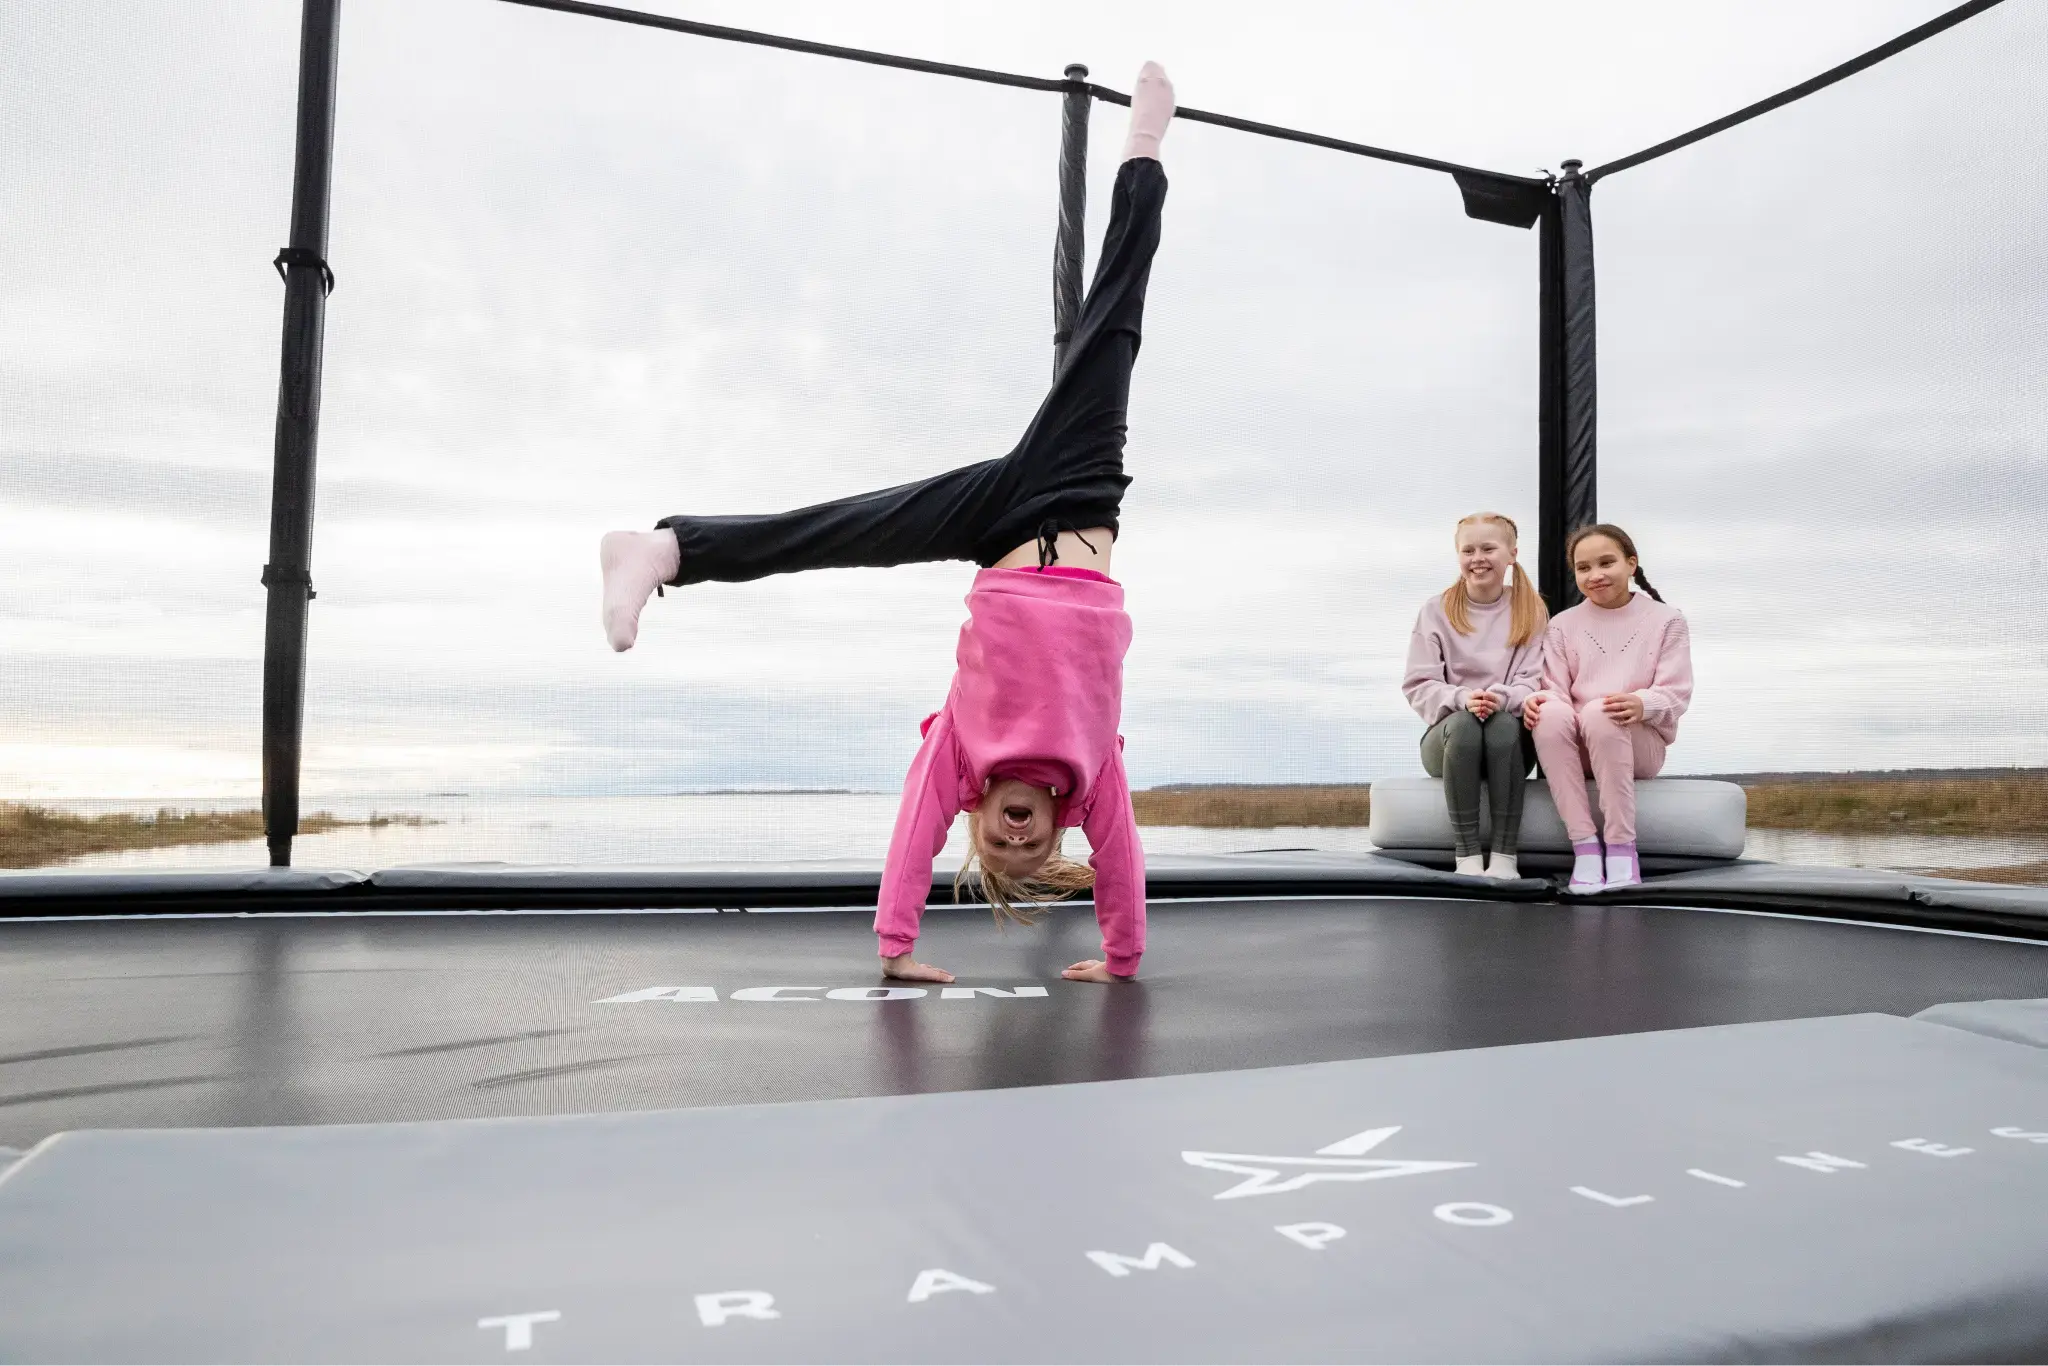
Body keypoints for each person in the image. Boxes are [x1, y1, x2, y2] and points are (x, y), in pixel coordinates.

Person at [595, 65, 1180, 984]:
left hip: (997, 533)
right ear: (1060, 826)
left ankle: (662, 551)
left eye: (1000, 848)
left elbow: (914, 835)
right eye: (1034, 850)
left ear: (981, 822)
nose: (1017, 839)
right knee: (1114, 329)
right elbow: (1126, 866)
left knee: (842, 530)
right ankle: (1145, 151)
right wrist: (1122, 957)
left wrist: (897, 948)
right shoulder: (1094, 775)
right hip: (1076, 501)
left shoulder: (959, 757)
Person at [1524, 523, 1693, 894]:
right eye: (1584, 568)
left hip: (1639, 745)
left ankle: (1621, 848)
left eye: (1606, 563)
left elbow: (1676, 693)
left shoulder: (1667, 620)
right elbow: (1553, 689)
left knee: (1602, 711)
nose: (1595, 575)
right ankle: (1584, 847)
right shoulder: (1561, 625)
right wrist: (1538, 703)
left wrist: (1642, 703)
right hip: (1579, 745)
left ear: (1631, 564)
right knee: (1548, 712)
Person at [1402, 512, 1547, 879]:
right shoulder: (1435, 611)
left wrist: (1501, 698)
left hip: (1508, 740)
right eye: (1468, 550)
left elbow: (1536, 680)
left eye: (1488, 548)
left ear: (1511, 553)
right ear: (1458, 556)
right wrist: (1463, 698)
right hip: (1452, 739)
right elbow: (1419, 684)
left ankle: (1504, 857)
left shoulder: (1531, 609)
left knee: (1500, 726)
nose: (1477, 557)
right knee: (1467, 725)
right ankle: (1466, 856)